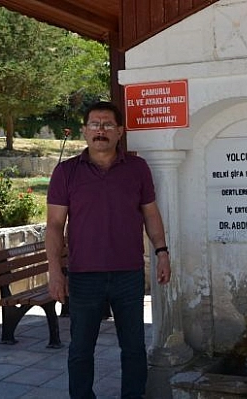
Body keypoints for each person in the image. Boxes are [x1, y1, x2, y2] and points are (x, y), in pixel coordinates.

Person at [46, 101, 171, 399]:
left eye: (107, 125)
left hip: (127, 273)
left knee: (133, 348)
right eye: (94, 124)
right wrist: (54, 270)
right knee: (80, 350)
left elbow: (150, 213)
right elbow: (54, 225)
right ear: (84, 131)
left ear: (120, 132)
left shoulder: (137, 168)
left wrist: (162, 251)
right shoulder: (66, 172)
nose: (100, 131)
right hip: (83, 276)